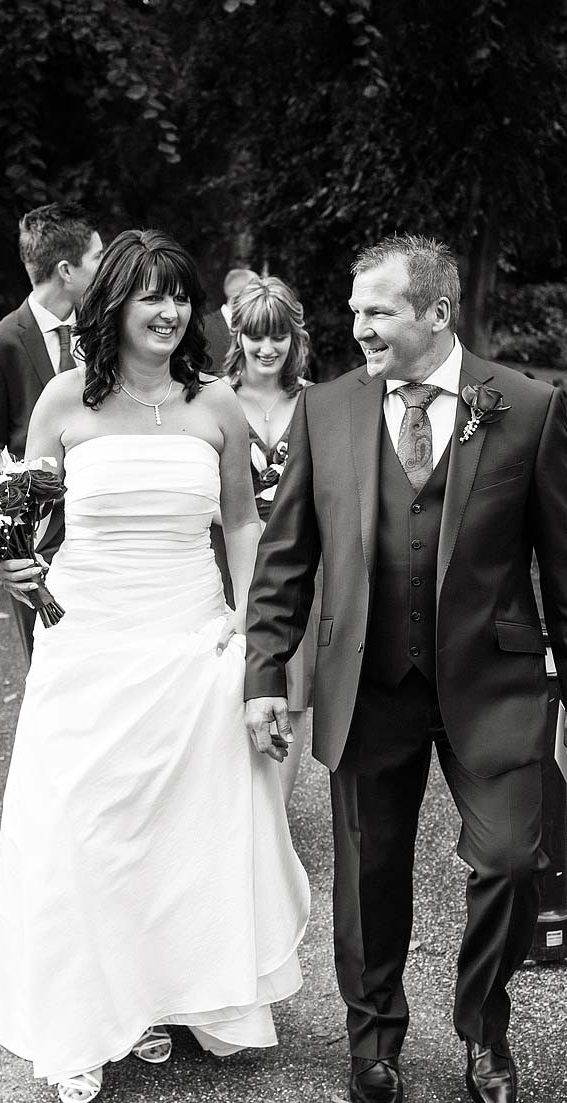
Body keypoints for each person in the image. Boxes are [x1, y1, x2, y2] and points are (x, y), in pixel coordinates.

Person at [243, 234, 567, 1103]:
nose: (358, 327)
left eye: (377, 310)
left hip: (494, 682)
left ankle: (485, 1029)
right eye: (354, 311)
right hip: (368, 682)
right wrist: (264, 675)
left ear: (436, 312)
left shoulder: (525, 406)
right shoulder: (326, 409)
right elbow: (286, 559)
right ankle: (374, 1044)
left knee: (512, 861)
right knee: (369, 875)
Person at [0, 230, 309, 1103]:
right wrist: (9, 560)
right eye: (150, 295)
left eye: (180, 296)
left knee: (181, 830)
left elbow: (241, 524)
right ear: (114, 305)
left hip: (190, 637)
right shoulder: (64, 401)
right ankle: (84, 1021)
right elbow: (23, 521)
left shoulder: (216, 404)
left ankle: (171, 997)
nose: (169, 311)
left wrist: (249, 626)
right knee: (83, 826)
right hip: (88, 642)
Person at [0, 203, 106, 659]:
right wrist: (8, 552)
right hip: (37, 553)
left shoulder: (106, 336)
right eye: (98, 257)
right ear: (66, 270)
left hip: (106, 533)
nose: (106, 267)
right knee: (51, 671)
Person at [225, 274, 317, 805]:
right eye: (256, 335)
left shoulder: (315, 402)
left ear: (294, 337)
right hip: (229, 564)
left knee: (292, 694)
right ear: (237, 335)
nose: (267, 348)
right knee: (227, 689)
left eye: (278, 335)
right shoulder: (214, 399)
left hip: (297, 567)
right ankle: (231, 815)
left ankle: (275, 822)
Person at [203, 265, 258, 372]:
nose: (261, 303)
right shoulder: (201, 328)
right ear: (236, 300)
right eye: (255, 297)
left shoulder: (259, 329)